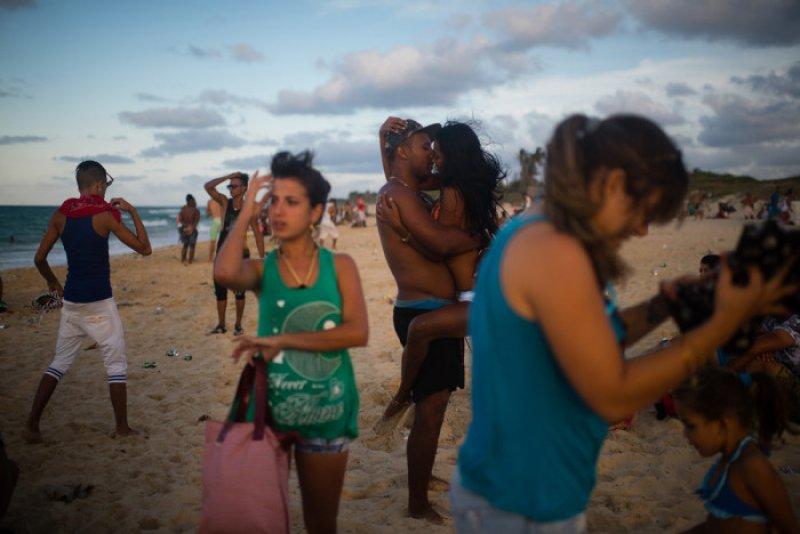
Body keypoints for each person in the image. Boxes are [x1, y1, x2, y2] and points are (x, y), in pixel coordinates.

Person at [449, 114, 796, 532]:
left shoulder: (539, 232)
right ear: (613, 183)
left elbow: (588, 336)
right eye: (645, 211)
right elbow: (611, 396)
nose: (643, 229)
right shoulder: (554, 252)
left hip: (518, 488)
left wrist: (664, 306)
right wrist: (722, 324)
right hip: (521, 502)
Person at [215, 151, 368, 533]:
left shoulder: (341, 265)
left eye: (292, 202)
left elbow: (356, 332)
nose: (278, 211)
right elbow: (225, 271)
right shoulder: (264, 271)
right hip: (270, 417)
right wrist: (247, 210)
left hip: (327, 412)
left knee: (320, 523)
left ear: (316, 212)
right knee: (260, 521)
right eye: (274, 201)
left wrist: (282, 339)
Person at [375, 117, 483, 523]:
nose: (432, 154)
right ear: (404, 151)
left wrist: (380, 139)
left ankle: (420, 479)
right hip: (424, 311)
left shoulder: (407, 189)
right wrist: (485, 236)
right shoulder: (399, 194)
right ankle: (417, 504)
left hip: (436, 309)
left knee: (433, 407)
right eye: (425, 146)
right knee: (430, 412)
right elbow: (438, 245)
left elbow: (396, 174)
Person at [374, 120, 504, 432]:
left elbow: (440, 248)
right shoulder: (451, 184)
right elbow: (398, 182)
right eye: (427, 148)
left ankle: (403, 395)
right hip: (469, 293)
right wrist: (384, 141)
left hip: (477, 297)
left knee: (420, 330)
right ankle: (404, 396)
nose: (432, 155)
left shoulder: (451, 192)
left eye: (437, 151)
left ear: (451, 156)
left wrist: (403, 231)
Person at [24, 161, 151, 443]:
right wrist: (133, 212)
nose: (106, 190)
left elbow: (38, 259)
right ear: (97, 185)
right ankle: (122, 428)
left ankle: (32, 424)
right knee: (115, 365)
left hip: (72, 303)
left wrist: (52, 282)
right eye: (105, 185)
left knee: (58, 363)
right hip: (100, 303)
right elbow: (145, 249)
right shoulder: (106, 216)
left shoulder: (61, 215)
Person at [674, 368, 799, 532]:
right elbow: (716, 524)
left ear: (724, 421)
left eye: (690, 426)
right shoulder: (728, 460)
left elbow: (788, 526)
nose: (685, 434)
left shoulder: (752, 466)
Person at [205, 171, 265, 335]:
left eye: (234, 185)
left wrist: (262, 257)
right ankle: (221, 324)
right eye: (229, 185)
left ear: (244, 188)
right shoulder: (225, 202)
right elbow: (208, 187)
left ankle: (238, 325)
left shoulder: (249, 209)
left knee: (239, 292)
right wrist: (228, 176)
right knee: (220, 290)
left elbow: (258, 236)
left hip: (240, 256)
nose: (230, 188)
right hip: (222, 254)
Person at [178, 194, 200, 265]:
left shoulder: (183, 208)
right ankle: (190, 260)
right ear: (191, 200)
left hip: (184, 229)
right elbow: (196, 221)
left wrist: (186, 227)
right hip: (192, 229)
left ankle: (183, 259)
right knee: (192, 245)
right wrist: (191, 227)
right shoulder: (195, 209)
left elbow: (180, 220)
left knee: (185, 245)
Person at [206, 197, 223, 262]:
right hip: (222, 220)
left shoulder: (209, 201)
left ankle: (210, 258)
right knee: (223, 241)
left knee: (212, 241)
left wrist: (212, 213)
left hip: (215, 221)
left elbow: (208, 213)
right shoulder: (220, 200)